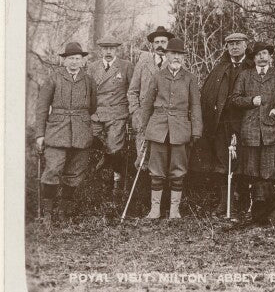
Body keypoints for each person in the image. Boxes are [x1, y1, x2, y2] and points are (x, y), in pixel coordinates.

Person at [140, 38, 203, 219]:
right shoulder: (157, 76)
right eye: (173, 53)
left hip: (181, 129)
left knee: (178, 169)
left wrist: (196, 130)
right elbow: (147, 104)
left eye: (180, 54)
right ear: (166, 55)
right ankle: (154, 209)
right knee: (156, 170)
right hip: (158, 128)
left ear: (184, 57)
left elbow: (196, 106)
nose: (176, 57)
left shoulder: (190, 78)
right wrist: (144, 128)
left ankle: (174, 210)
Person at [35, 42, 97, 223]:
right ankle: (47, 213)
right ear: (64, 60)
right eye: (70, 59)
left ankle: (63, 211)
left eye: (77, 59)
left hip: (81, 132)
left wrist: (80, 120)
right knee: (53, 169)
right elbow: (41, 108)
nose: (74, 62)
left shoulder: (89, 81)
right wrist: (40, 134)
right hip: (56, 132)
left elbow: (92, 107)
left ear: (83, 61)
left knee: (75, 173)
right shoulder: (53, 78)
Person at [231, 41, 275, 223]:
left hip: (272, 132)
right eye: (258, 55)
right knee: (251, 172)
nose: (262, 57)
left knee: (270, 173)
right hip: (251, 132)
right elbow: (235, 99)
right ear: (253, 58)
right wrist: (250, 101)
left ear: (271, 57)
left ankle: (269, 212)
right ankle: (251, 211)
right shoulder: (245, 75)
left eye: (265, 54)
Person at [200, 32, 254, 217]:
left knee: (245, 162)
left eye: (238, 43)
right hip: (223, 123)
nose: (234, 47)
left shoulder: (253, 67)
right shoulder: (220, 68)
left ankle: (246, 202)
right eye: (230, 44)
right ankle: (225, 203)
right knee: (223, 162)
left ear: (246, 45)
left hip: (247, 123)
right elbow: (208, 94)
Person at [86, 35, 133, 196]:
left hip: (117, 113)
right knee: (89, 138)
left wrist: (131, 112)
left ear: (116, 50)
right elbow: (88, 92)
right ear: (101, 50)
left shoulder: (126, 66)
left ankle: (117, 181)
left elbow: (133, 91)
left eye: (111, 49)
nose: (108, 52)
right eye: (105, 48)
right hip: (97, 113)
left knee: (115, 147)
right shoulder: (92, 67)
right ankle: (106, 157)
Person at [128, 26, 174, 174]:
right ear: (152, 45)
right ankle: (143, 193)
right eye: (156, 42)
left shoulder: (175, 63)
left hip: (165, 117)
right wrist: (135, 111)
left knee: (162, 157)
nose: (160, 45)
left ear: (169, 43)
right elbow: (132, 91)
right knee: (143, 157)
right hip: (144, 116)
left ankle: (160, 192)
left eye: (163, 41)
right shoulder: (143, 62)